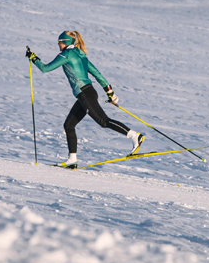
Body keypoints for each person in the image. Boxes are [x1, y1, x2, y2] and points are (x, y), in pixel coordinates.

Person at [26, 31, 143, 168]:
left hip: (84, 94)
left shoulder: (66, 54)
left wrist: (33, 58)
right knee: (69, 125)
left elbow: (46, 69)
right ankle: (72, 160)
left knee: (103, 121)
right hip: (87, 93)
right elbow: (97, 74)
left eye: (60, 42)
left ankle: (135, 136)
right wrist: (109, 92)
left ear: (67, 42)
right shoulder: (80, 55)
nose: (59, 44)